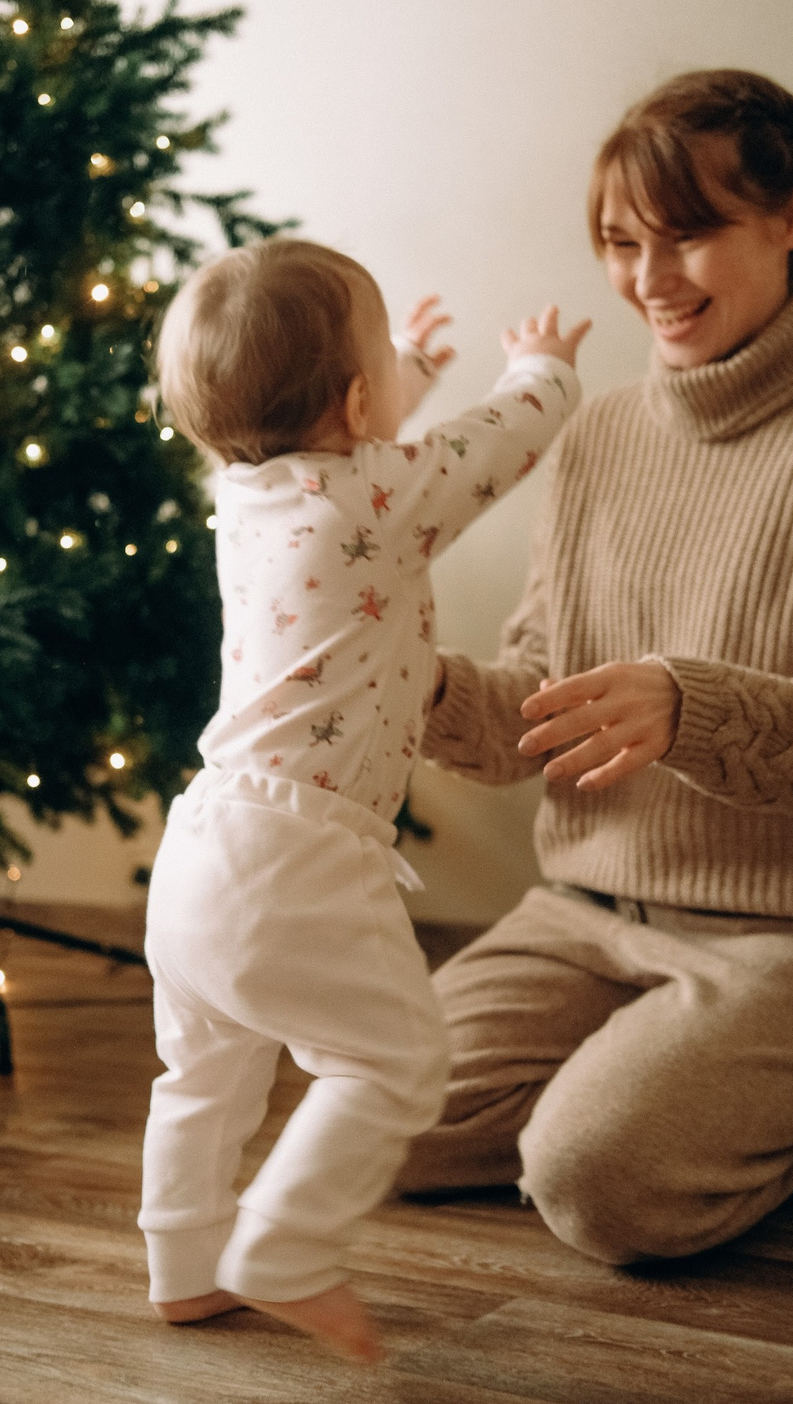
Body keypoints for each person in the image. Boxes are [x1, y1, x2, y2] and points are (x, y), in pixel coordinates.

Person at [137, 237, 590, 1361]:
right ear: (354, 401)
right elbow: (489, 452)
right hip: (298, 851)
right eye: (377, 374)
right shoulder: (376, 498)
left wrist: (402, 372)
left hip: (202, 843)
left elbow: (329, 447)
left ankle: (182, 1263)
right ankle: (286, 1242)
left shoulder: (239, 493)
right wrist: (540, 368)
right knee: (395, 1059)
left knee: (205, 1069)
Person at [397, 68, 793, 1269]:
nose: (648, 281)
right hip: (582, 914)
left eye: (690, 236)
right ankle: (669, 1082)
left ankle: (699, 1092)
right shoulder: (594, 435)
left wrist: (684, 704)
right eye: (622, 244)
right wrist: (418, 687)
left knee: (599, 1182)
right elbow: (537, 694)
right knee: (366, 1128)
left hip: (787, 936)